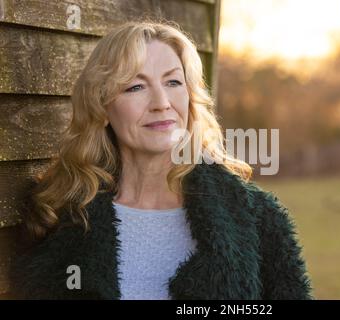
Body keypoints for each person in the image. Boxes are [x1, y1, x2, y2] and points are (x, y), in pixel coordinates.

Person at [9, 21, 313, 300]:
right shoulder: (59, 217)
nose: (161, 104)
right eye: (136, 87)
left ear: (191, 98)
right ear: (102, 108)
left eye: (173, 83)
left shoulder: (258, 217)